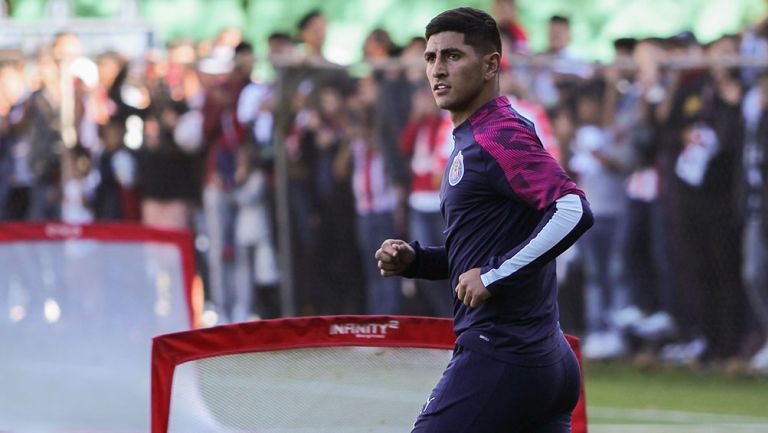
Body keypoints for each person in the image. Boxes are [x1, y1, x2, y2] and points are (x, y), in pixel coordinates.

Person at [374, 8, 593, 432]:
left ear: (491, 64)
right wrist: (417, 261)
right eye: (430, 57)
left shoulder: (499, 134)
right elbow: (481, 252)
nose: (438, 69)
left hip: (505, 353)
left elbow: (573, 209)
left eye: (453, 56)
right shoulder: (473, 136)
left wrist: (493, 277)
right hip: (541, 357)